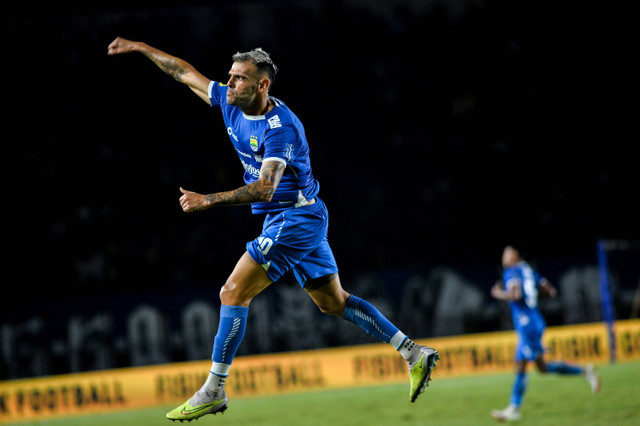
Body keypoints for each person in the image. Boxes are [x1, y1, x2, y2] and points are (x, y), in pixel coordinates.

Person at [107, 37, 439, 422]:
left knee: (232, 292)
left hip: (294, 220)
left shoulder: (281, 129)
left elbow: (265, 188)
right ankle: (415, 353)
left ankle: (214, 388)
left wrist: (207, 200)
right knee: (333, 303)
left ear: (262, 85)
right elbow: (183, 73)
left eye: (239, 78)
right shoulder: (229, 104)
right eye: (230, 77)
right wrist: (140, 47)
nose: (228, 83)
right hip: (296, 217)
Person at [490, 245, 600, 422]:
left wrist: (499, 293)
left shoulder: (511, 271)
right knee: (539, 367)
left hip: (527, 324)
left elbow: (516, 294)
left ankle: (514, 408)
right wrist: (532, 299)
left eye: (507, 253)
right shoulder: (527, 269)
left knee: (523, 365)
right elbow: (550, 291)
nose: (504, 257)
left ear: (515, 256)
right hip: (535, 320)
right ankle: (584, 371)